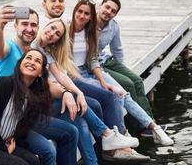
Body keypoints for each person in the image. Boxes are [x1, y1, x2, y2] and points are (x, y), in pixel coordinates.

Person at [32, 18, 141, 164]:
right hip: (38, 105)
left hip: (50, 98)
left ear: (58, 40)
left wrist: (78, 92)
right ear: (45, 25)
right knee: (78, 113)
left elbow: (60, 75)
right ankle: (106, 134)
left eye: (57, 33)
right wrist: (70, 93)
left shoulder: (46, 51)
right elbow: (45, 82)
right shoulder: (32, 47)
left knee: (80, 121)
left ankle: (96, 156)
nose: (52, 33)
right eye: (52, 28)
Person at [68, 0, 174, 147]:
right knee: (115, 95)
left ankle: (153, 127)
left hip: (93, 69)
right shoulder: (66, 28)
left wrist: (104, 81)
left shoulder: (90, 32)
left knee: (122, 93)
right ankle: (123, 136)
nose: (82, 16)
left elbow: (93, 59)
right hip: (75, 74)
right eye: (80, 12)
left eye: (86, 13)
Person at [0, 5, 79, 165]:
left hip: (21, 115)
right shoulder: (9, 49)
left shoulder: (30, 56)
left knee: (71, 131)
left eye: (33, 25)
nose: (29, 28)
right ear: (15, 26)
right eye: (25, 24)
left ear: (38, 28)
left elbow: (47, 84)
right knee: (47, 150)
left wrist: (67, 92)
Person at [96, 0, 167, 137]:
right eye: (107, 7)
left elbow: (117, 50)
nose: (109, 12)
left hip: (106, 60)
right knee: (127, 84)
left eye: (113, 11)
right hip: (95, 65)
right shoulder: (88, 22)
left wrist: (122, 70)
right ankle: (139, 128)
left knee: (137, 81)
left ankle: (149, 122)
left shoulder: (113, 26)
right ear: (100, 6)